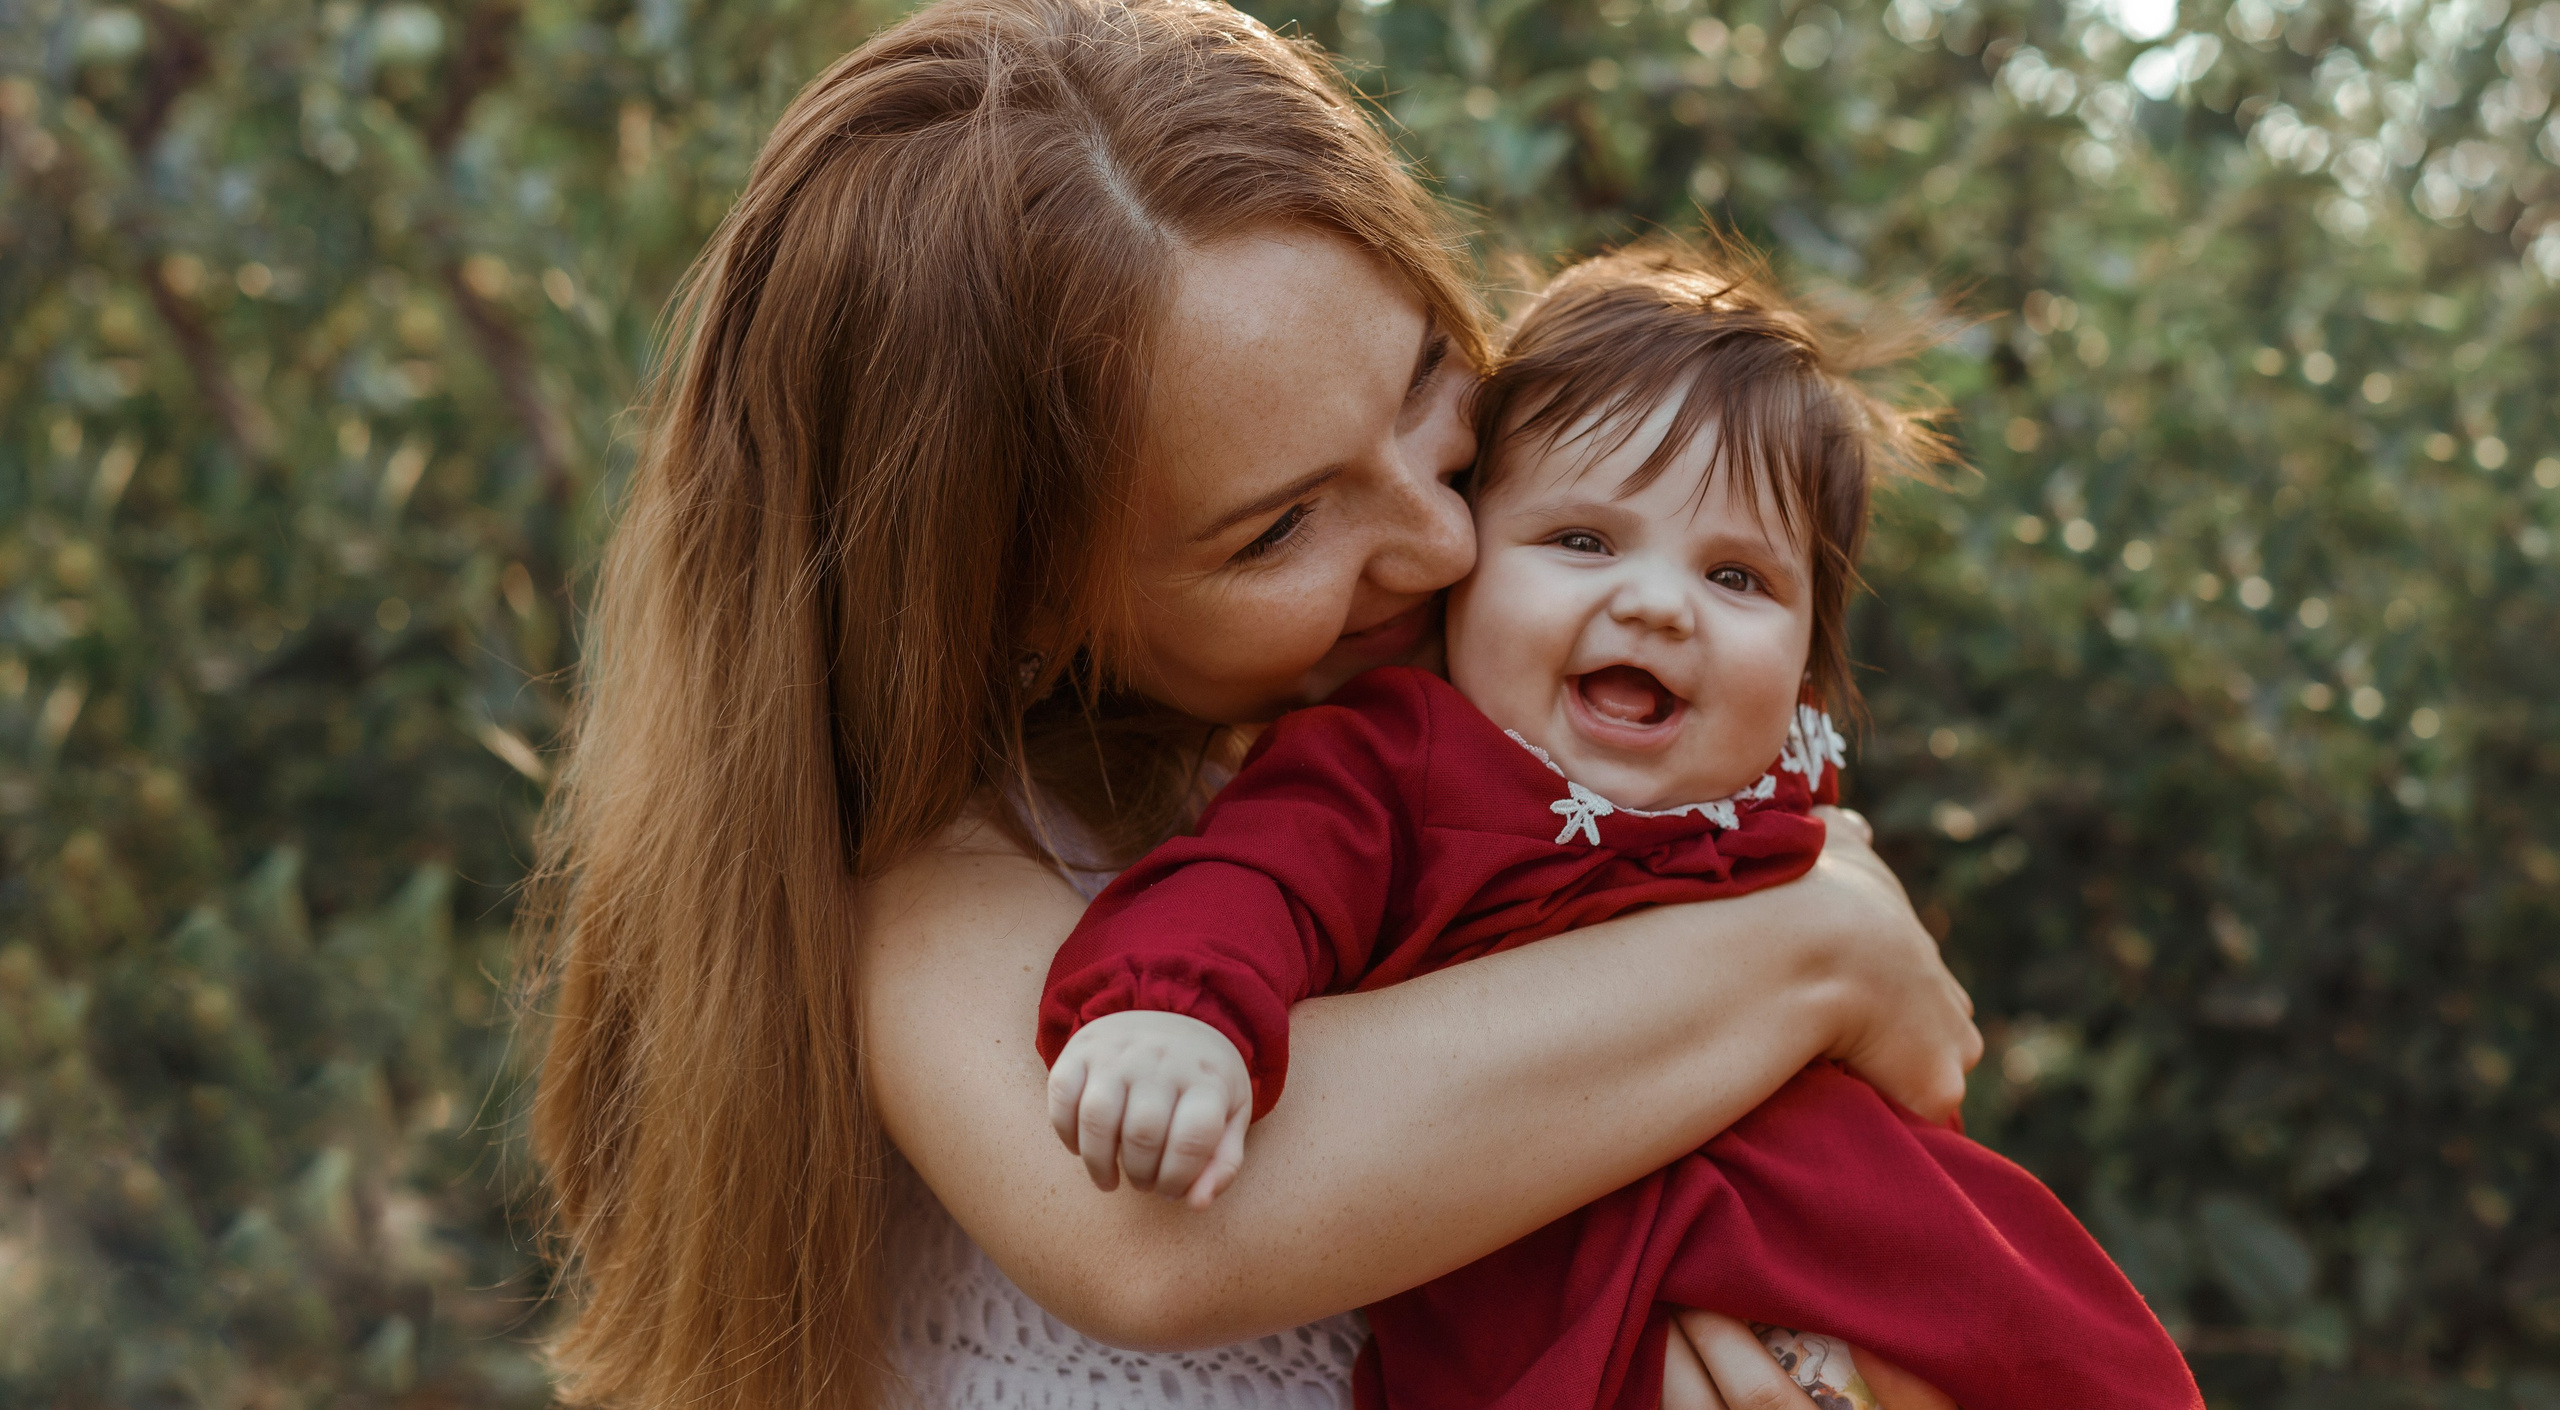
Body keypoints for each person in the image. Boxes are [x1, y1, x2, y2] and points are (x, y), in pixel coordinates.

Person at [518, 2, 1981, 1407]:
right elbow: (1151, 1238)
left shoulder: (1493, 746)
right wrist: (1807, 945)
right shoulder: (930, 873)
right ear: (1015, 611)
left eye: (1423, 384)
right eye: (1278, 529)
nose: (1445, 539)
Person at [1037, 241, 2202, 1410]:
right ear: (1466, 570)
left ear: (1809, 663)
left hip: (1863, 1278)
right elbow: (1257, 879)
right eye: (1582, 541)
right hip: (1563, 1310)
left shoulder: (1795, 824)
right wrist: (1175, 1016)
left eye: (1738, 578)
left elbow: (1916, 1099)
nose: (1654, 602)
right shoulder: (1399, 761)